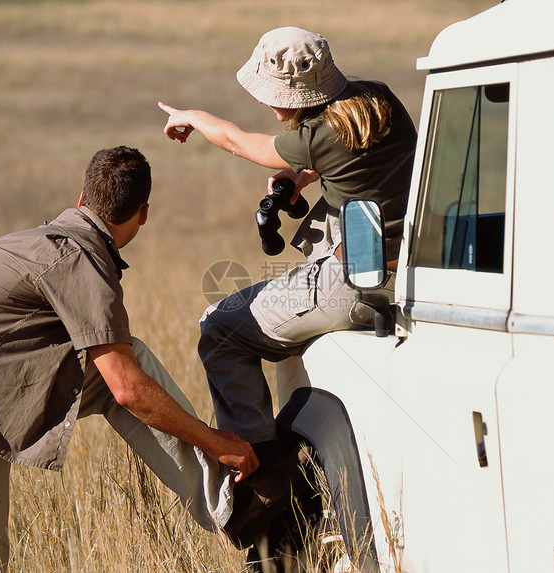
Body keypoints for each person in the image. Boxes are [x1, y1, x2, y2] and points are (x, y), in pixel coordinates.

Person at [0, 146, 259, 572]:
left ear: (82, 198)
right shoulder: (81, 258)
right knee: (128, 368)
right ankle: (237, 507)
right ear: (144, 213)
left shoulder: (28, 241)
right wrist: (216, 441)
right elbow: (128, 390)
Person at [159, 25, 416, 521]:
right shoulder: (376, 102)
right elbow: (359, 156)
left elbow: (235, 140)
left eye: (274, 97)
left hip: (354, 281)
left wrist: (191, 116)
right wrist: (301, 177)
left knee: (220, 328)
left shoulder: (315, 136)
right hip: (404, 264)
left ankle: (267, 484)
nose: (270, 107)